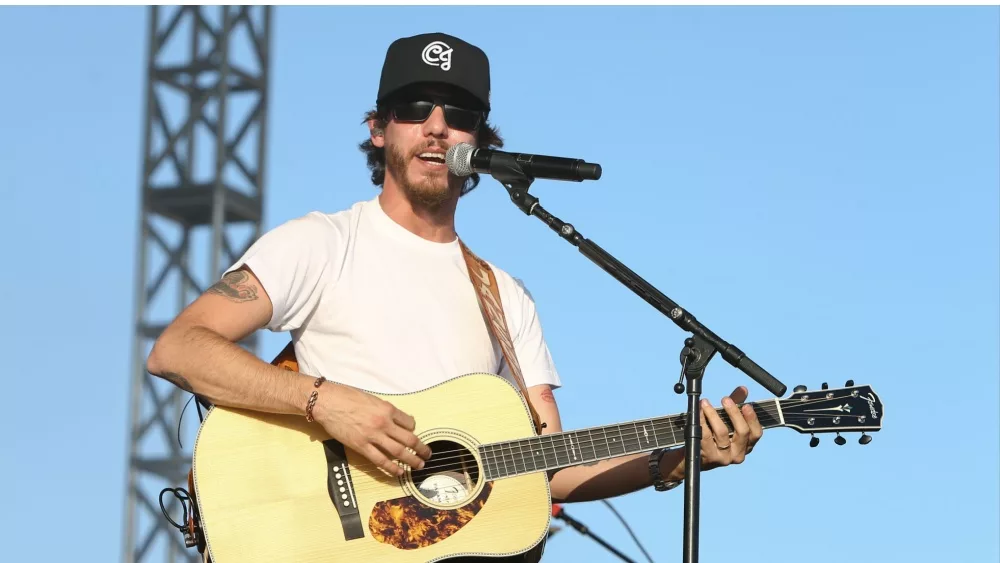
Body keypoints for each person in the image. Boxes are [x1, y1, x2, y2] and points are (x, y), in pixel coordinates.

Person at [146, 32, 763, 560]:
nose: (438, 125)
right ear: (379, 128)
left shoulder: (504, 295)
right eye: (415, 106)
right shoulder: (320, 243)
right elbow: (178, 349)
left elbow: (548, 465)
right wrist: (322, 401)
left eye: (459, 112)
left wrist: (679, 461)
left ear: (479, 142)